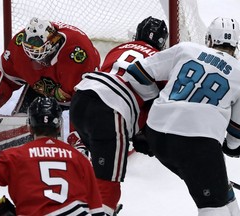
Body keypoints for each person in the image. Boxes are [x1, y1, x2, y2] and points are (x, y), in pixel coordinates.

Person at [128, 17, 240, 216]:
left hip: (157, 134)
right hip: (199, 145)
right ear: (236, 44)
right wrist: (230, 147)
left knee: (223, 192)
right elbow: (235, 137)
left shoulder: (186, 48)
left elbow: (135, 72)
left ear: (209, 39)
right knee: (214, 205)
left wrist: (156, 104)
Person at [69, 16, 168, 215]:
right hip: (112, 111)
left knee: (91, 169)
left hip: (81, 98)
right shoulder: (163, 61)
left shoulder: (119, 49)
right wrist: (148, 136)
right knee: (108, 184)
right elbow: (158, 106)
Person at [0, 96, 105, 216]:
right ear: (58, 127)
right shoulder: (79, 157)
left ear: (30, 127)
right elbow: (97, 208)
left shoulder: (16, 155)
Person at [0, 17, 100, 118]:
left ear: (52, 44)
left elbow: (85, 101)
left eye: (41, 56)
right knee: (24, 122)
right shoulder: (19, 46)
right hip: (44, 88)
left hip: (78, 94)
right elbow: (3, 77)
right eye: (31, 54)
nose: (37, 61)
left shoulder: (78, 55)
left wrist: (79, 140)